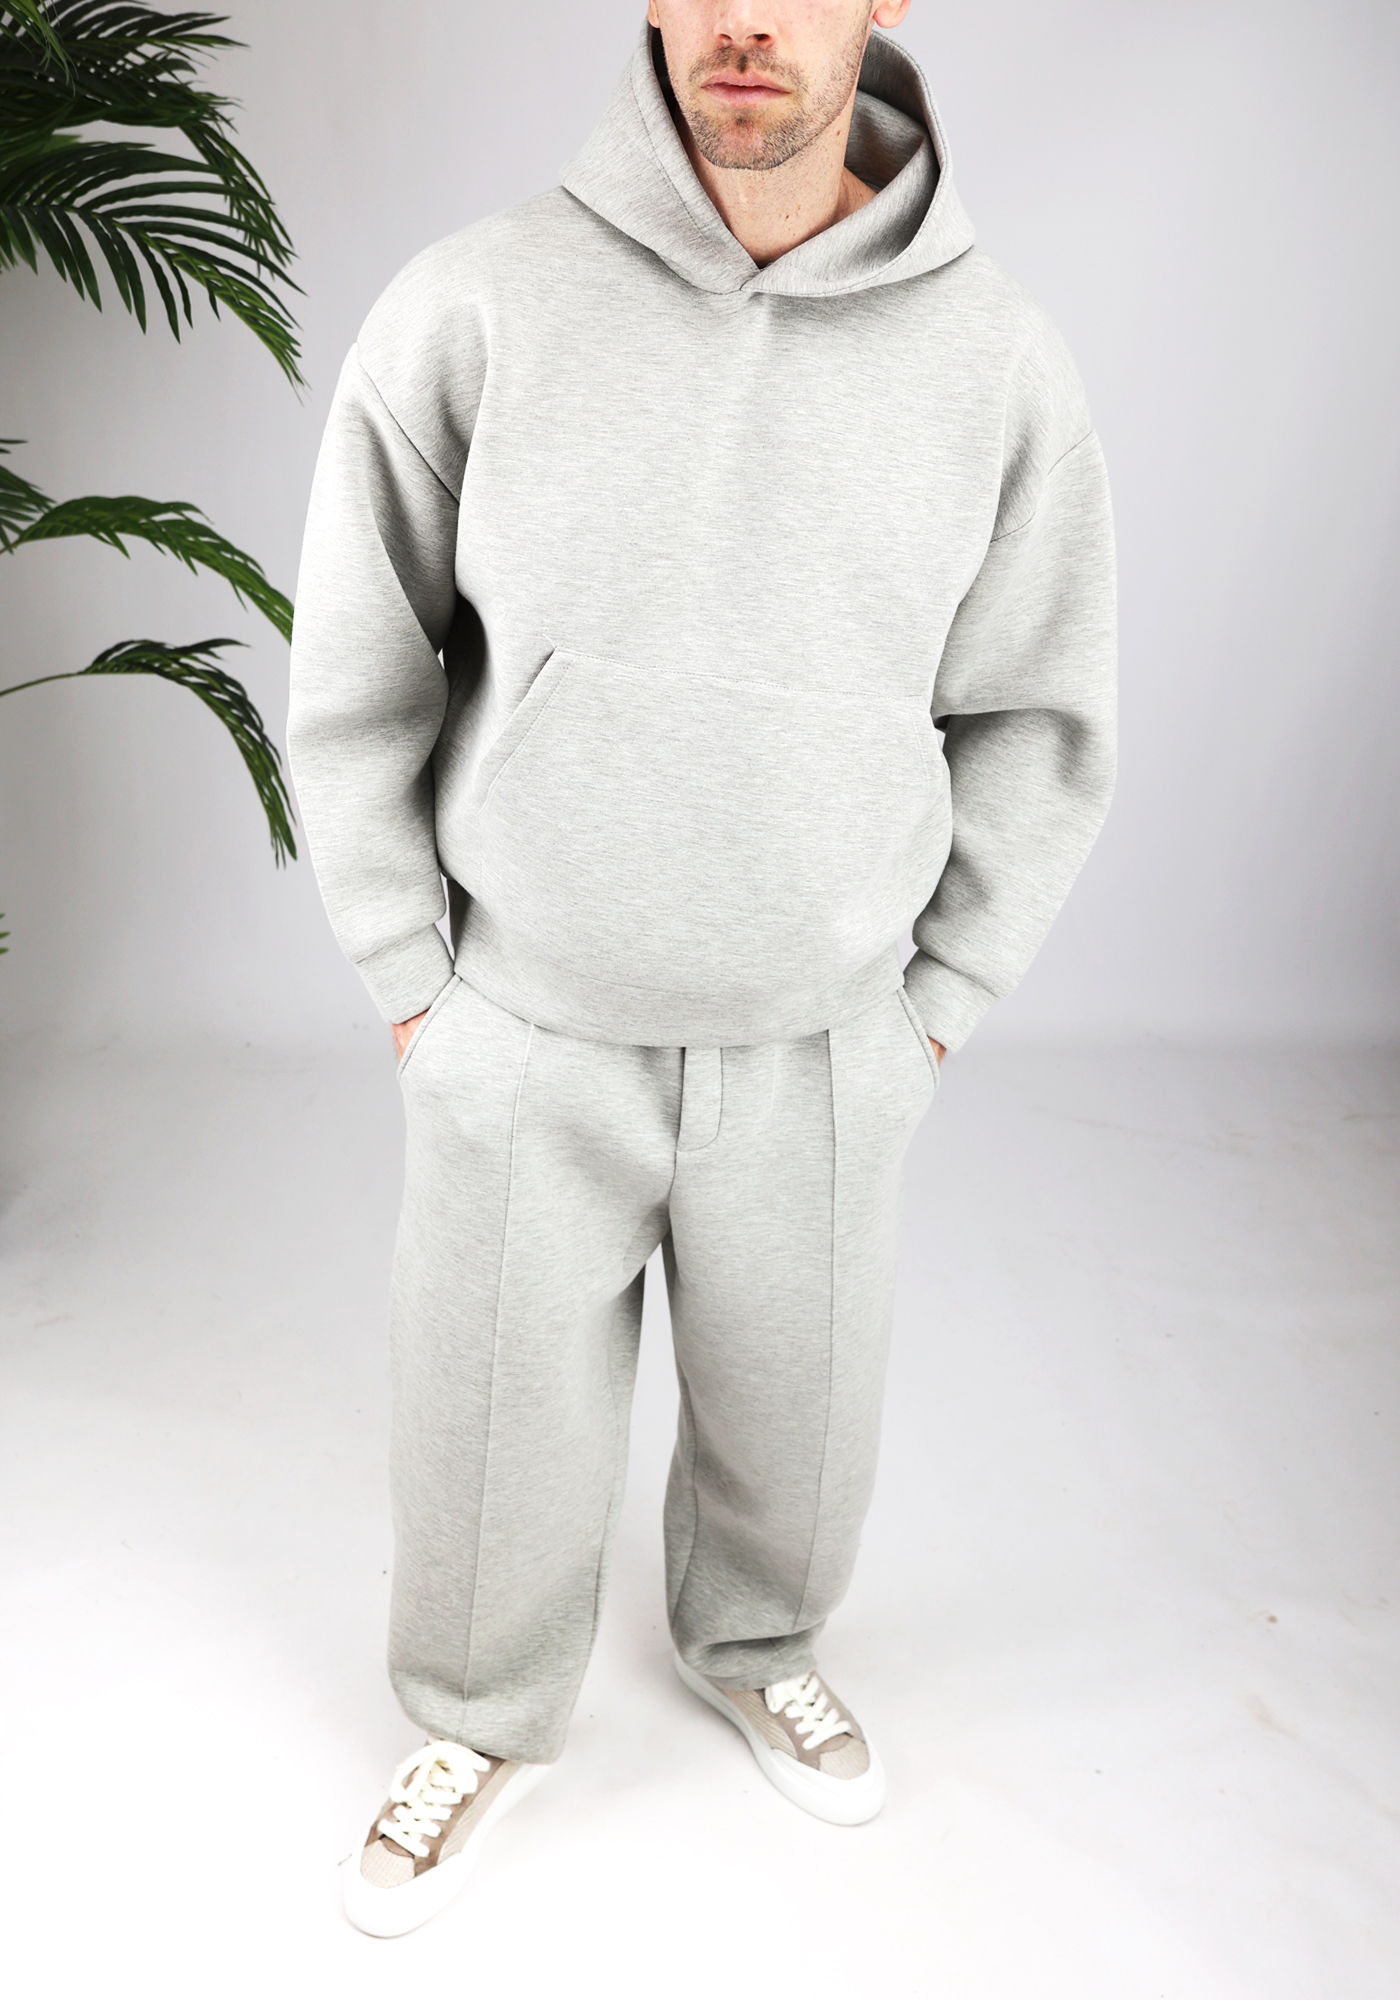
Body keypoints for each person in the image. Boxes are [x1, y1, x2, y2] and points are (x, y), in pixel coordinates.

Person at [288, 0, 1115, 1939]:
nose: (748, 20)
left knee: (801, 1433)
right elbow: (355, 665)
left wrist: (932, 1009)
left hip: (823, 1042)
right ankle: (474, 1711)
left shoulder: (997, 361)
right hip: (525, 1028)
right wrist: (412, 978)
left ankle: (758, 1641)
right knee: (485, 1427)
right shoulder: (473, 306)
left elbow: (1040, 712)